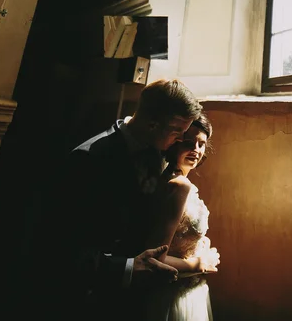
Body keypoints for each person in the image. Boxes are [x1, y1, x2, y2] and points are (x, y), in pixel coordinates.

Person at [50, 79, 214, 321]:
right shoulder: (89, 160)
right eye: (178, 132)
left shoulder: (159, 150)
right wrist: (128, 267)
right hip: (92, 297)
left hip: (135, 300)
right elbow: (62, 247)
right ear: (152, 124)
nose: (181, 140)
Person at [144, 112, 219, 321]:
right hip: (173, 294)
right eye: (189, 142)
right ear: (175, 143)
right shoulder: (178, 186)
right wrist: (200, 263)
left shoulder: (174, 180)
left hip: (188, 289)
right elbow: (155, 257)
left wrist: (200, 244)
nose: (196, 150)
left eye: (201, 144)